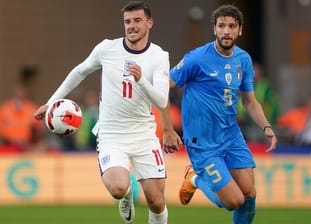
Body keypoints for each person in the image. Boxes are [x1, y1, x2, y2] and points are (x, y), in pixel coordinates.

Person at [34, 1, 177, 223]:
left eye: (137, 21)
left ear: (149, 23)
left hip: (144, 134)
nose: (132, 26)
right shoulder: (107, 49)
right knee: (118, 188)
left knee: (156, 201)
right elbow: (79, 72)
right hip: (112, 134)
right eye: (127, 22)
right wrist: (51, 102)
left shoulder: (159, 56)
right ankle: (127, 196)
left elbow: (161, 99)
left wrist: (140, 80)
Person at [161, 4, 277, 224]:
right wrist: (168, 129)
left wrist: (267, 127)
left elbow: (250, 102)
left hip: (231, 136)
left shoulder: (243, 59)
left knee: (249, 195)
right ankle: (194, 179)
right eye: (221, 26)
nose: (226, 31)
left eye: (231, 26)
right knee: (233, 202)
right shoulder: (196, 58)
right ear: (214, 29)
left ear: (240, 30)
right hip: (202, 143)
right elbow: (162, 86)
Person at [236, 62, 280, 141]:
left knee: (258, 140)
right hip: (244, 121)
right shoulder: (245, 84)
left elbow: (259, 103)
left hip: (260, 121)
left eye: (254, 70)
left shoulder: (265, 86)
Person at [0, 83, 46, 152]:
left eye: (21, 96)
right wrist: (12, 139)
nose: (19, 98)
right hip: (8, 146)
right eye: (17, 96)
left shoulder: (32, 108)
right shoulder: (5, 109)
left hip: (27, 146)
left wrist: (30, 140)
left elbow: (40, 129)